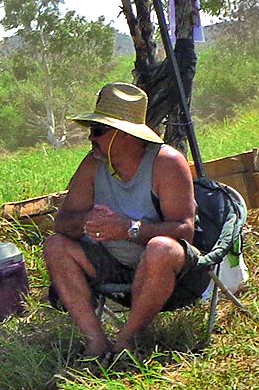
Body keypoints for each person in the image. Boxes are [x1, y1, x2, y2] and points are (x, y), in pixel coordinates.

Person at [43, 83, 199, 365]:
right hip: (110, 264)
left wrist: (129, 229)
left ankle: (126, 341)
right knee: (55, 246)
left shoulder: (167, 163)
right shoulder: (92, 165)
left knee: (162, 248)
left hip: (165, 268)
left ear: (125, 135)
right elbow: (62, 222)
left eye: (99, 131)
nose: (91, 137)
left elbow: (184, 230)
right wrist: (84, 222)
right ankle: (96, 341)